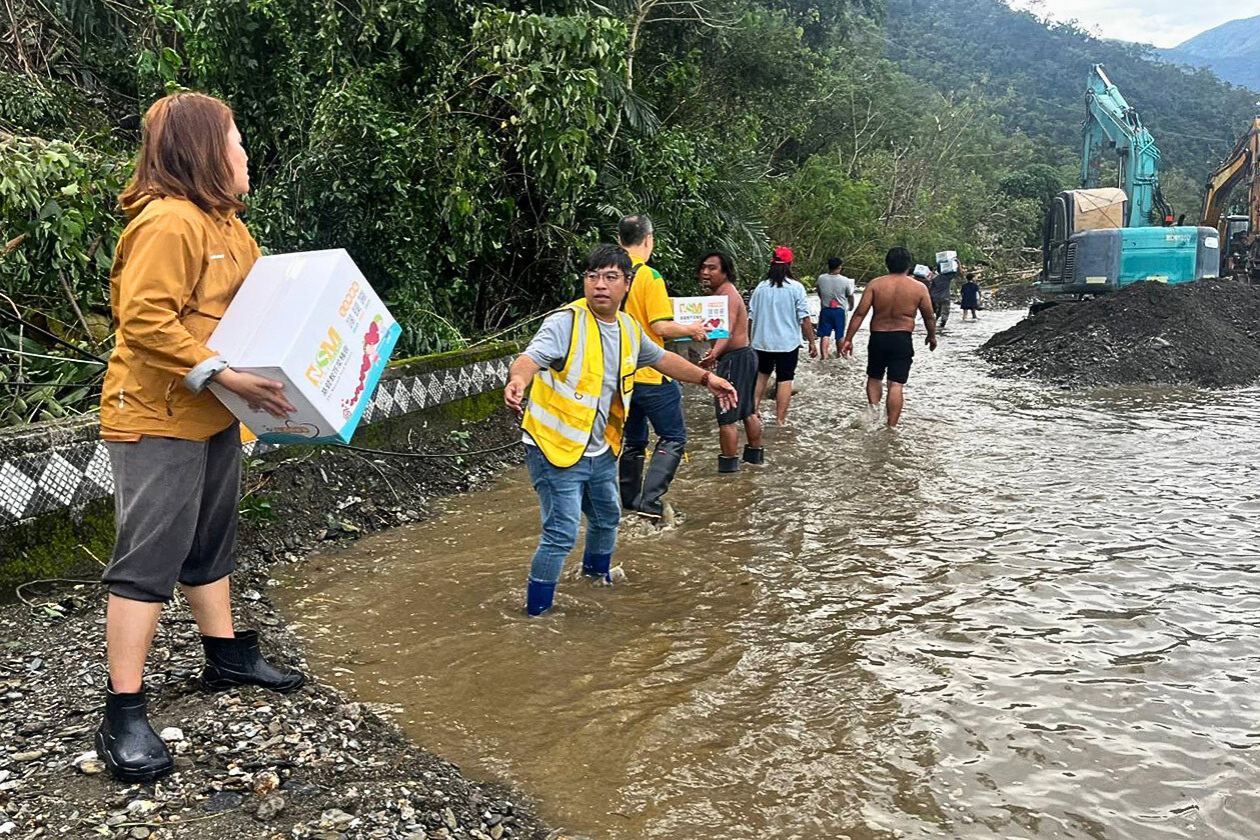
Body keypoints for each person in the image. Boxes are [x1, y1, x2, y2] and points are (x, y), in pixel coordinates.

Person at [95, 93, 306, 784]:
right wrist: (226, 373)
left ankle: (225, 656)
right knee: (148, 558)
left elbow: (259, 308)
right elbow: (143, 321)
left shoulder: (228, 224)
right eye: (236, 140)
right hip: (157, 415)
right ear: (203, 150)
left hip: (214, 413)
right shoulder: (169, 222)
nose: (245, 154)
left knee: (210, 540)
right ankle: (123, 711)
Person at [504, 244, 737, 616]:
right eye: (593, 276)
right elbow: (530, 358)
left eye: (611, 277)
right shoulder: (566, 322)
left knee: (607, 517)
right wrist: (518, 380)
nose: (600, 285)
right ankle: (536, 614)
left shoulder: (628, 328)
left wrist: (707, 379)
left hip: (599, 448)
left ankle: (596, 580)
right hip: (553, 447)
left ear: (627, 284)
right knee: (562, 532)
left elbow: (663, 359)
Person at [616, 214, 708, 519]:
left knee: (634, 440)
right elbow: (660, 326)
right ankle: (652, 502)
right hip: (652, 373)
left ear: (619, 240)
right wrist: (691, 329)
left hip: (621, 375)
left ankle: (629, 500)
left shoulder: (611, 275)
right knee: (673, 437)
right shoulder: (649, 276)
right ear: (648, 240)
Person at [839, 246, 937, 427]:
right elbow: (929, 316)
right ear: (909, 265)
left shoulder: (875, 284)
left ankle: (874, 416)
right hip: (902, 338)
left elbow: (859, 313)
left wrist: (848, 339)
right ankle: (891, 428)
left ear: (887, 264)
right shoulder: (918, 287)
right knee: (896, 384)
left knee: (874, 377)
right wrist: (932, 336)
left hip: (878, 337)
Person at [697, 251, 763, 472]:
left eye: (712, 268)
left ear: (725, 272)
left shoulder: (727, 296)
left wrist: (713, 354)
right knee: (747, 411)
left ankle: (728, 471)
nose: (705, 272)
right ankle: (754, 461)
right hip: (743, 356)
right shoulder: (723, 294)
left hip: (735, 358)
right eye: (703, 268)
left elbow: (726, 331)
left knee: (727, 416)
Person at [750, 246, 816, 426]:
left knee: (761, 375)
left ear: (771, 263)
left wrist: (749, 340)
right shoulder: (796, 288)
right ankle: (780, 420)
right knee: (785, 380)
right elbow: (804, 317)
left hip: (761, 342)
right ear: (790, 264)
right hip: (787, 343)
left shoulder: (760, 287)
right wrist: (812, 342)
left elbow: (751, 316)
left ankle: (753, 412)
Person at [815, 257, 856, 361]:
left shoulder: (821, 278)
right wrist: (851, 306)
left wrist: (823, 300)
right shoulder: (845, 280)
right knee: (840, 335)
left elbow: (819, 291)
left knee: (825, 335)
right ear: (840, 267)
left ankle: (824, 357)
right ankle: (840, 356)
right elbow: (850, 295)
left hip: (826, 309)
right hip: (839, 311)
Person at [930, 261, 959, 331]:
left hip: (936, 297)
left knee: (938, 312)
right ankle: (942, 326)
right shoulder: (947, 277)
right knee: (945, 312)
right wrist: (958, 263)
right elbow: (958, 273)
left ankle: (934, 325)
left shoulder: (935, 279)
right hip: (945, 297)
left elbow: (931, 288)